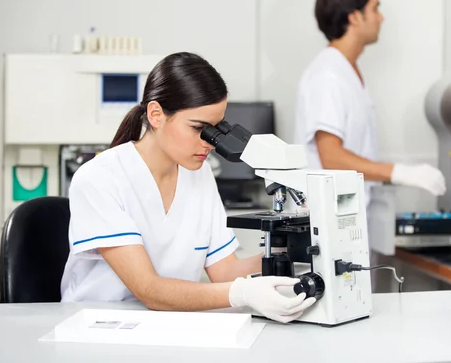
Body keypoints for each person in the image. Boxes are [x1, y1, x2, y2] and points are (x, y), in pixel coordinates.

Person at [60, 52, 316, 323]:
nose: (210, 142)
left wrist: (293, 247)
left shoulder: (199, 174)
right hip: (98, 329)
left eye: (217, 129)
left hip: (171, 324)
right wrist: (241, 293)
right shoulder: (99, 178)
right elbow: (150, 290)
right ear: (156, 115)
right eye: (199, 128)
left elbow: (226, 272)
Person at [294, 0, 446, 209]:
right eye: (375, 9)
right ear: (354, 16)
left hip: (348, 216)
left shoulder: (347, 70)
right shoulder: (328, 76)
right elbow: (331, 157)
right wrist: (400, 173)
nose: (381, 18)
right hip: (325, 222)